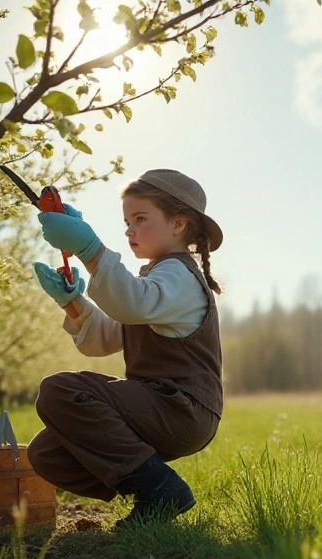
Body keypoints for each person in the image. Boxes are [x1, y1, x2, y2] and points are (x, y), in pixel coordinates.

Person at [26, 169, 224, 529]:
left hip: (182, 409)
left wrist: (90, 250)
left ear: (178, 224)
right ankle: (149, 491)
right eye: (126, 222)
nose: (129, 230)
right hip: (161, 408)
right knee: (47, 453)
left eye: (140, 219)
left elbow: (132, 304)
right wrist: (72, 302)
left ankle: (160, 490)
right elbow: (106, 335)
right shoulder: (155, 281)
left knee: (60, 390)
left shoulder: (177, 276)